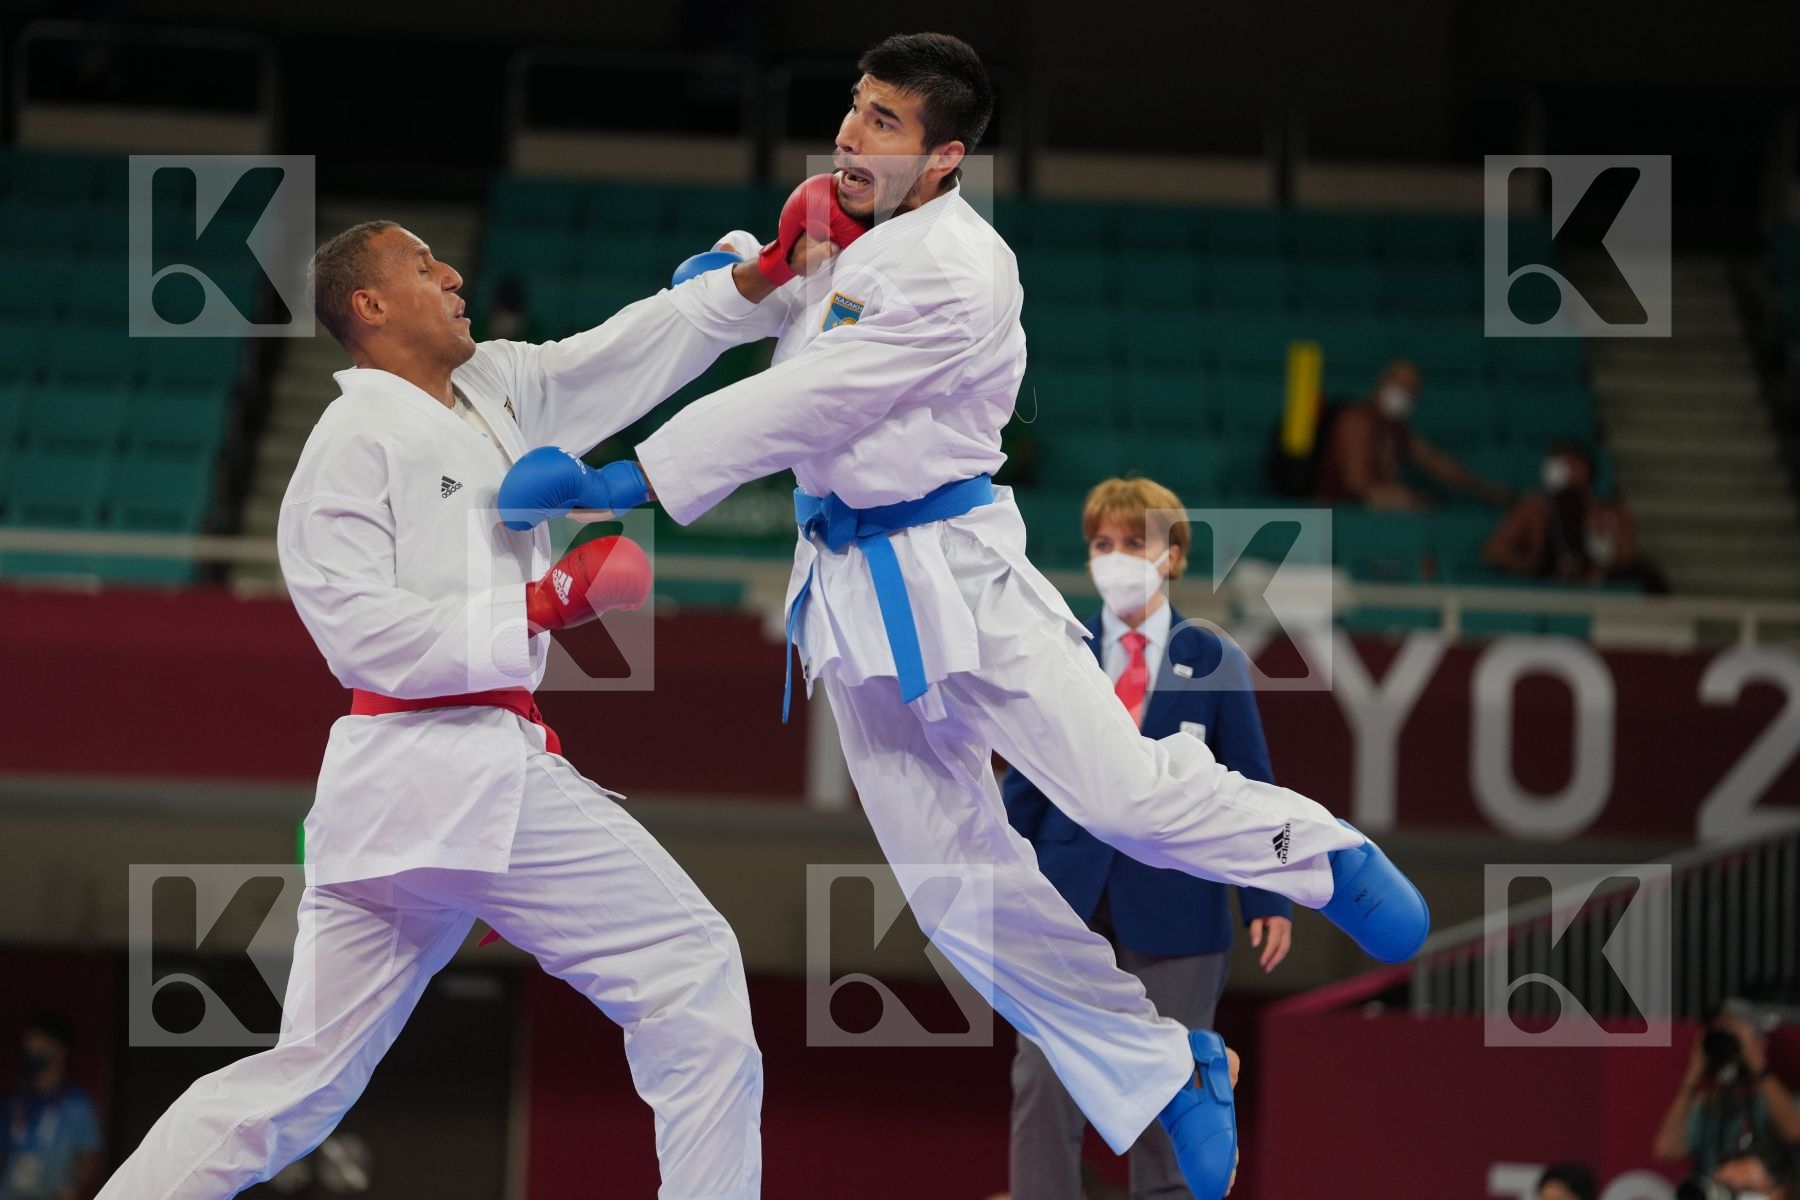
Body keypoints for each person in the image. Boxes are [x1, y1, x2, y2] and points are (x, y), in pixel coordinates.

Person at [499, 33, 1429, 1199]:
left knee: (1117, 792)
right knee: (957, 893)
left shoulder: (959, 266)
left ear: (943, 158)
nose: (851, 132)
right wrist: (754, 268)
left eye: (883, 121)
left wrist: (624, 481)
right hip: (848, 596)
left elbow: (813, 398)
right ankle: (1166, 1066)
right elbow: (744, 295)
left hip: (959, 574)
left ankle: (1318, 854)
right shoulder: (833, 224)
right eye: (853, 107)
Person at [95, 221, 766, 1199]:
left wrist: (758, 282)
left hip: (402, 799)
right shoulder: (348, 446)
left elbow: (626, 354)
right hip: (450, 757)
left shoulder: (496, 389)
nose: (453, 275)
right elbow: (362, 637)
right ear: (368, 307)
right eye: (422, 267)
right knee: (690, 971)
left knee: (300, 1084)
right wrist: (542, 604)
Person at [1002, 475, 1295, 1200]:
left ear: (1172, 555)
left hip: (1178, 905)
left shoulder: (1213, 657)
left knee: (1174, 1095)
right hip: (1067, 897)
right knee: (1043, 1080)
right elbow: (1028, 777)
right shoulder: (1057, 649)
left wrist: (1268, 897)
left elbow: (1249, 788)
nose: (1116, 557)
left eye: (1134, 542)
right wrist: (993, 878)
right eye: (1103, 543)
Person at [1314, 359, 1511, 509]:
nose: (1404, 395)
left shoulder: (1398, 430)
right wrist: (1409, 499)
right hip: (1339, 514)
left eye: (1411, 391)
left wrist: (1484, 489)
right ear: (1382, 382)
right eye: (1400, 386)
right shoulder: (1358, 420)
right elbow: (1357, 485)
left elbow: (1436, 463)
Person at [1483, 440, 1669, 593]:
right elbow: (1495, 549)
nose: (1561, 469)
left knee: (1649, 577)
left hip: (1599, 587)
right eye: (1556, 463)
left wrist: (1602, 569)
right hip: (1549, 584)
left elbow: (1626, 553)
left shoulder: (1611, 511)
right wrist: (1530, 566)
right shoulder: (1535, 507)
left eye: (1569, 463)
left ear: (1585, 469)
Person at [1654, 1004, 1800, 1177]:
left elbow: (1794, 1132)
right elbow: (1667, 1149)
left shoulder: (1776, 1100)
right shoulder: (1708, 1103)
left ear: (1761, 1042)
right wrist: (1691, 1080)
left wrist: (1758, 1064)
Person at [1, 1016, 100, 1200]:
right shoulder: (14, 1099)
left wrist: (70, 1189)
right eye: (27, 1044)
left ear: (60, 1050)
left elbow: (89, 1155)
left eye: (38, 1044)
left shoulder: (77, 1103)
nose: (30, 1050)